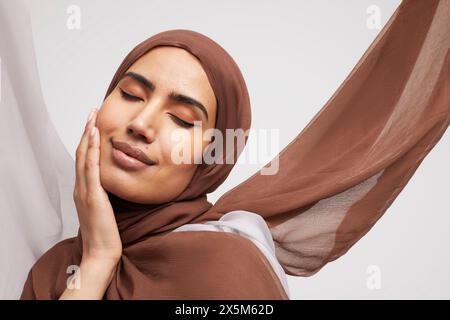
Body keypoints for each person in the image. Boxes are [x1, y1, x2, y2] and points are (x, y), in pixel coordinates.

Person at [1, 0, 448, 299]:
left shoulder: (226, 269)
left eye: (181, 119)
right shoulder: (55, 269)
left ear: (210, 159)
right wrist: (97, 261)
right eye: (132, 95)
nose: (140, 124)